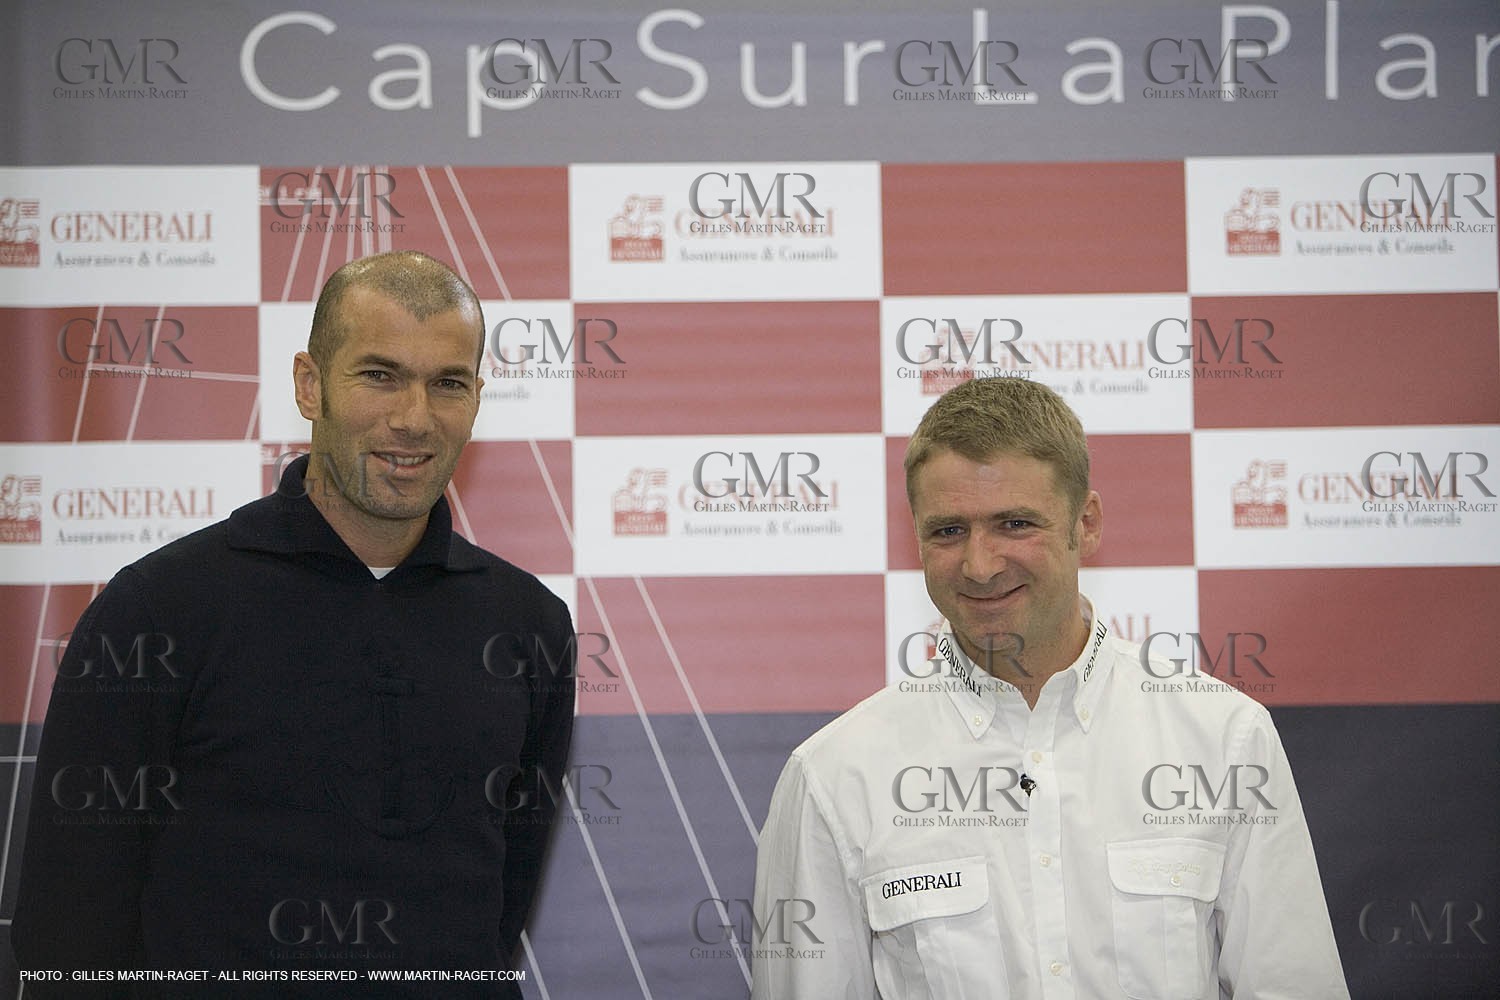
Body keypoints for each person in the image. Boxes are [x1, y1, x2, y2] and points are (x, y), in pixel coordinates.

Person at [13, 251, 575, 997]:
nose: (414, 418)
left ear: (476, 397)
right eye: (379, 374)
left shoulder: (528, 625)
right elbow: (69, 928)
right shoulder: (158, 610)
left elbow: (502, 911)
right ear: (311, 386)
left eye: (448, 383)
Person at [751, 377, 1349, 999]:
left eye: (1014, 524)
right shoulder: (833, 775)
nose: (980, 565)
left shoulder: (1226, 737)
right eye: (949, 530)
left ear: (1085, 525)